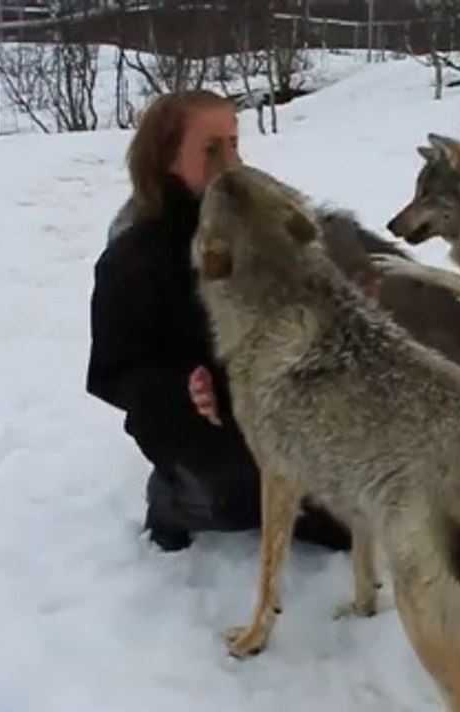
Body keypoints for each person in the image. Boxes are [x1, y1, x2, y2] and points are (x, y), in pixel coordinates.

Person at [86, 90, 352, 553]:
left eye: (233, 142)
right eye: (211, 149)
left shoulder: (257, 225)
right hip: (188, 419)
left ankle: (305, 506)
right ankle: (174, 500)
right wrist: (180, 389)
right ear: (167, 157)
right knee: (234, 499)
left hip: (269, 400)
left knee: (353, 504)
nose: (230, 161)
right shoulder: (134, 255)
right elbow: (111, 371)